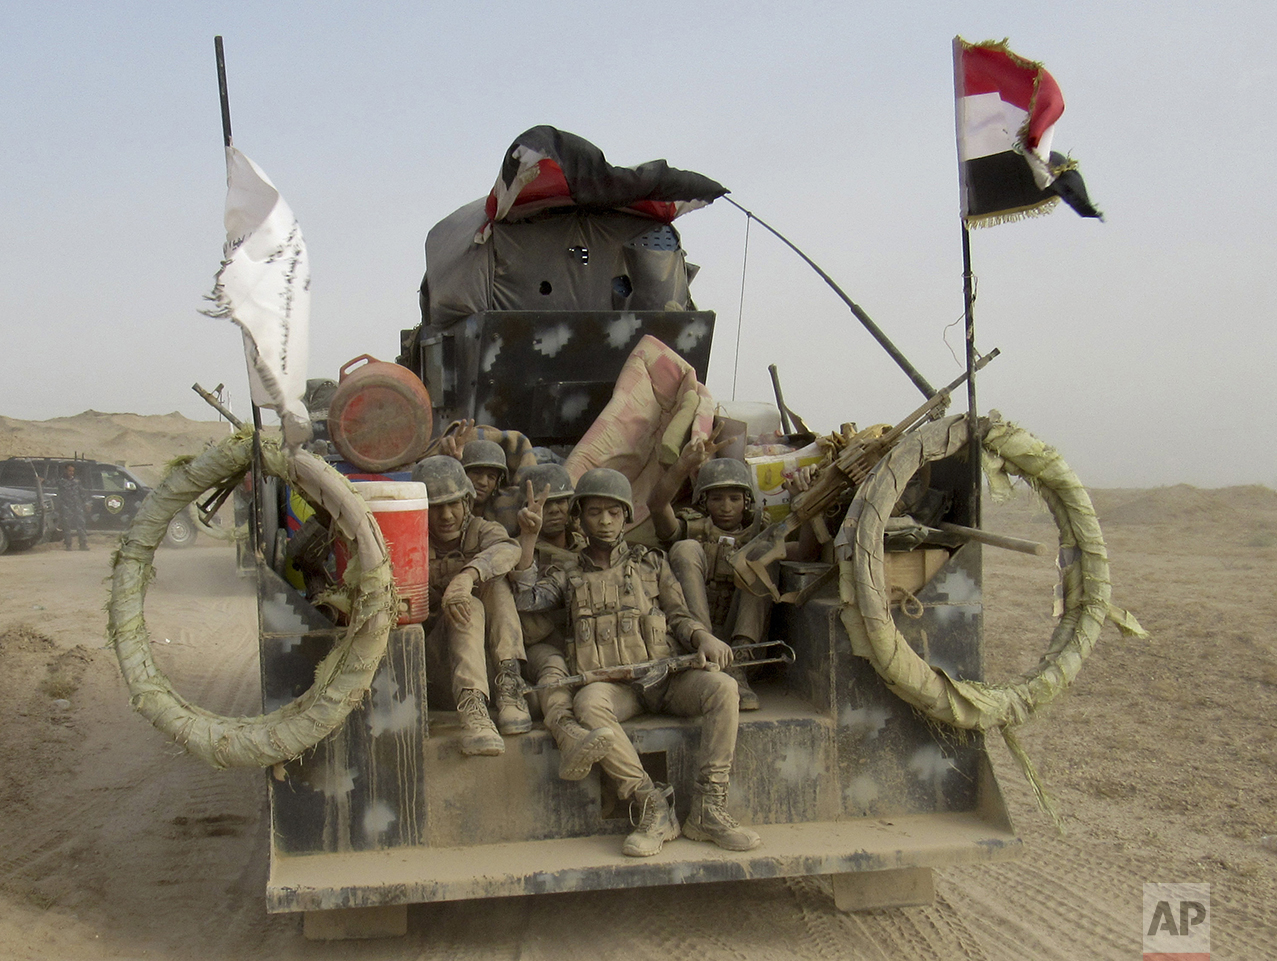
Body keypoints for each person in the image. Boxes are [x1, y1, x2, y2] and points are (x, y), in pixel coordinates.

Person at [511, 467, 761, 857]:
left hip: (665, 677)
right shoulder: (567, 571)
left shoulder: (651, 563)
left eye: (614, 512)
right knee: (589, 703)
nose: (606, 521)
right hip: (616, 687)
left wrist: (703, 637)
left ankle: (709, 809)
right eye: (595, 512)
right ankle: (651, 805)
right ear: (581, 517)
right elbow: (528, 600)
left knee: (724, 688)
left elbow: (679, 616)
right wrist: (528, 539)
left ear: (627, 517)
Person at [412, 456, 529, 755]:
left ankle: (510, 685)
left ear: (467, 502)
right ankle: (473, 712)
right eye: (435, 506)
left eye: (453, 503)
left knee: (495, 582)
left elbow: (508, 549)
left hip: (487, 665)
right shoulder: (411, 543)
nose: (446, 515)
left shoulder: (481, 530)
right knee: (470, 608)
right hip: (439, 668)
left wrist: (467, 577)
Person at [510, 464, 613, 780]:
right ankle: (567, 732)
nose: (553, 510)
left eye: (560, 502)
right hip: (541, 642)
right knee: (553, 669)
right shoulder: (517, 547)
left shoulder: (590, 542)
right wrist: (529, 539)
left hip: (588, 641)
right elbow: (524, 599)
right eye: (544, 503)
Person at [648, 442, 768, 709]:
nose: (726, 507)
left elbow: (804, 551)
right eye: (717, 498)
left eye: (734, 499)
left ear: (746, 502)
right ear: (703, 501)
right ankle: (709, 648)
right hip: (694, 640)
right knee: (685, 548)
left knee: (764, 552)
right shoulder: (691, 529)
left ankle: (738, 665)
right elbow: (657, 506)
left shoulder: (759, 532)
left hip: (743, 641)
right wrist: (682, 466)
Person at [459, 439, 508, 520]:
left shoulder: (504, 512)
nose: (483, 482)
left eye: (491, 477)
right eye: (476, 473)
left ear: (497, 483)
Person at [56, 463, 89, 551]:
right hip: (66, 506)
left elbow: (82, 493)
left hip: (77, 506)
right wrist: (42, 481)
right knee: (67, 526)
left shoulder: (77, 481)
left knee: (81, 525)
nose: (71, 473)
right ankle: (68, 545)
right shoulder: (61, 481)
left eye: (72, 471)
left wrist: (86, 503)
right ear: (65, 471)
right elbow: (49, 483)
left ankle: (83, 544)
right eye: (69, 471)